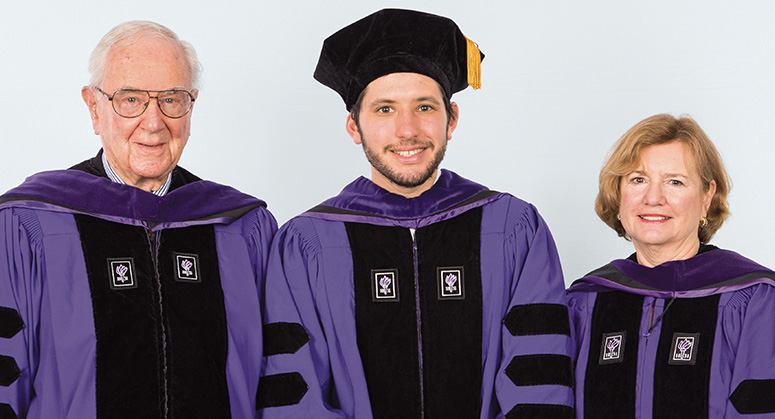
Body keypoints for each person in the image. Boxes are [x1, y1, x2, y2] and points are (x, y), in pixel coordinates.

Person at [257, 8, 574, 419]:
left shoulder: (513, 228)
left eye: (424, 107)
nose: (407, 130)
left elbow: (539, 383)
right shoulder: (306, 243)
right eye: (384, 109)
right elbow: (293, 393)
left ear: (451, 118)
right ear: (354, 126)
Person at [0, 21, 276, 418]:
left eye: (172, 99)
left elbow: (278, 378)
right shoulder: (29, 225)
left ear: (191, 105)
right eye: (130, 99)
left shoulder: (241, 226)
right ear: (94, 107)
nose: (153, 122)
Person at [566, 114, 775, 418]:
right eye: (638, 179)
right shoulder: (585, 302)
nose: (653, 198)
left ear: (707, 196)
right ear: (618, 193)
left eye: (674, 182)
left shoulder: (753, 300)